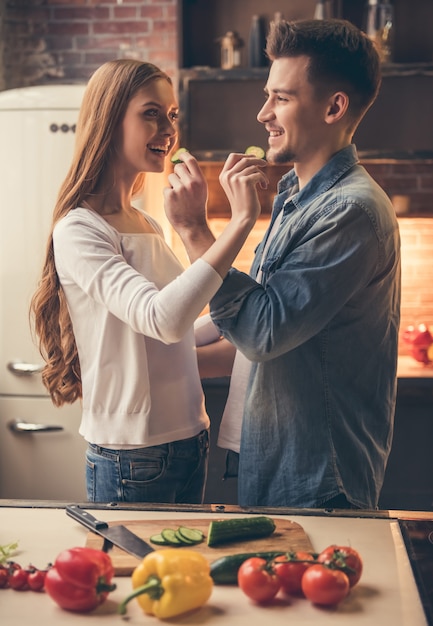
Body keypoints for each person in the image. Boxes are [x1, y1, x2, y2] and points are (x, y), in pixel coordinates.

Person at [165, 19, 401, 509]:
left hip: (321, 476)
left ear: (335, 107)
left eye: (282, 98)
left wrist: (195, 231)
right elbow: (251, 314)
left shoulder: (350, 211)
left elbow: (262, 331)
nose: (263, 113)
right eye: (267, 95)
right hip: (278, 459)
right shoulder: (294, 192)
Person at [30, 59, 267, 504]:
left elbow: (183, 321)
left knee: (180, 575)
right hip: (132, 457)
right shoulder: (80, 229)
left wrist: (258, 320)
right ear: (109, 118)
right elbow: (163, 320)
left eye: (173, 115)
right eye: (151, 113)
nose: (168, 128)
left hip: (189, 438)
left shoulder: (144, 221)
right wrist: (240, 222)